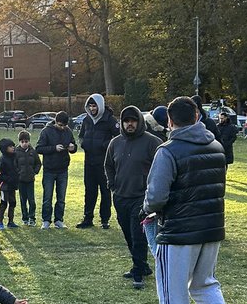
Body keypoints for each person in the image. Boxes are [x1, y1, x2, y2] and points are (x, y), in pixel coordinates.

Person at [142, 95, 240, 304]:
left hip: (178, 231)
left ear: (170, 121)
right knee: (205, 283)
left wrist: (147, 208)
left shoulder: (168, 150)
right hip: (211, 228)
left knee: (172, 291)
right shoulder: (216, 146)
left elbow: (156, 197)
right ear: (197, 116)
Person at [104, 105, 161, 289]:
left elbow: (160, 168)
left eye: (133, 121)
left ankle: (138, 271)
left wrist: (151, 191)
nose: (130, 124)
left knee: (138, 235)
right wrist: (112, 185)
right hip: (120, 196)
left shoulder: (152, 142)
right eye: (126, 121)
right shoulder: (115, 143)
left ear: (139, 121)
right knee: (128, 233)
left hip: (142, 197)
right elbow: (108, 166)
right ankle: (142, 266)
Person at [76, 93, 118, 228]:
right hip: (89, 161)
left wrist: (104, 145)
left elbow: (117, 138)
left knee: (105, 192)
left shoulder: (110, 120)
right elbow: (81, 136)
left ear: (100, 105)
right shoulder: (86, 120)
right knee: (90, 191)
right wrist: (84, 144)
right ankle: (88, 218)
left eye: (94, 106)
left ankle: (104, 220)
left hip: (104, 162)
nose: (92, 108)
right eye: (90, 106)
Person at [36, 110, 77, 228]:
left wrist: (72, 148)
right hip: (49, 169)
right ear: (55, 122)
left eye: (64, 125)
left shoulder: (68, 131)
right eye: (60, 125)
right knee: (47, 197)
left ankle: (59, 220)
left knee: (61, 198)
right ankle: (46, 220)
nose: (62, 127)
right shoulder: (46, 131)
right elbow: (39, 148)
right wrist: (54, 148)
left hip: (63, 169)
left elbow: (73, 145)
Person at [14, 129, 41, 225]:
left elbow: (38, 163)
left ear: (29, 141)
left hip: (30, 180)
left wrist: (34, 172)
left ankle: (32, 218)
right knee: (23, 200)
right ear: (19, 142)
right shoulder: (16, 152)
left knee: (31, 200)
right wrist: (18, 173)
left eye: (26, 141)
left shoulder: (33, 152)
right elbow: (14, 165)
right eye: (22, 142)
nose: (24, 144)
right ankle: (24, 218)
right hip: (21, 180)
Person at [0, 138, 19, 228]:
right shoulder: (1, 159)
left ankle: (11, 222)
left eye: (13, 146)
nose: (13, 148)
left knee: (12, 203)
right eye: (10, 146)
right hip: (4, 186)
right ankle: (0, 222)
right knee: (4, 203)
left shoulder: (14, 157)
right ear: (5, 148)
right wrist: (8, 179)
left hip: (12, 185)